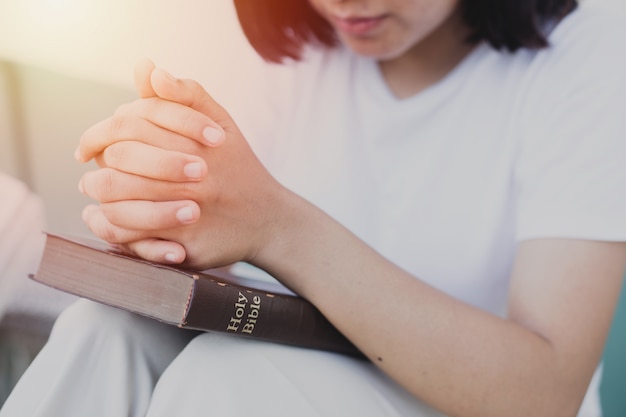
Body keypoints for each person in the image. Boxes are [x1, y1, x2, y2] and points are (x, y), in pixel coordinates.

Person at [2, 0, 626, 416]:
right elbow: (228, 245)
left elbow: (547, 392)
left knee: (234, 381)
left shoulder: (592, 48)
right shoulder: (293, 41)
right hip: (297, 378)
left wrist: (276, 227)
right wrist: (166, 219)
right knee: (103, 330)